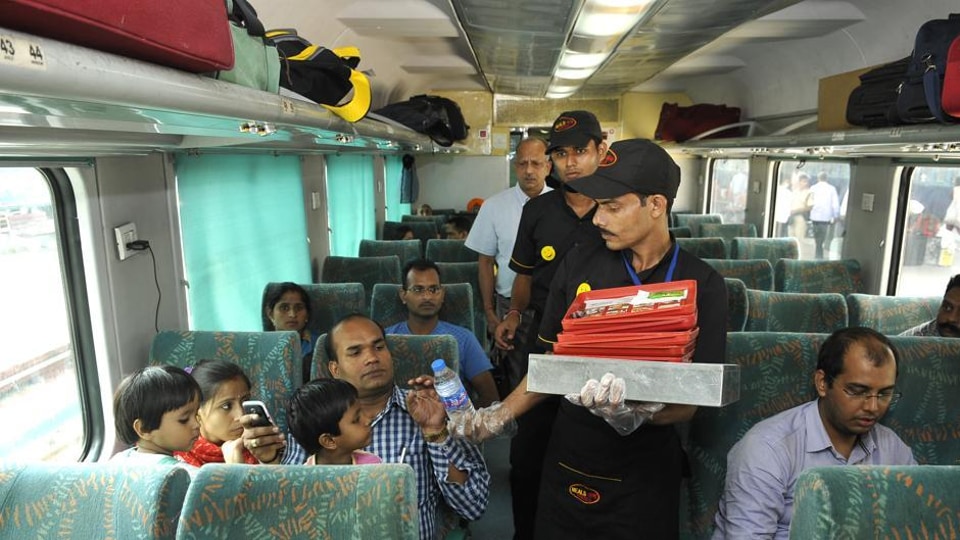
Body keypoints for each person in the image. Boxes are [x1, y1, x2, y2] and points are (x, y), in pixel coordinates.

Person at [456, 138, 728, 539]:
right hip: (572, 454)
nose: (598, 218)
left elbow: (691, 403)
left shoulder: (703, 284)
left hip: (645, 469)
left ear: (656, 205)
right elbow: (551, 363)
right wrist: (496, 416)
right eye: (598, 205)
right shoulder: (581, 262)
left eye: (613, 207)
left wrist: (637, 412)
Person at [241, 314, 490, 540]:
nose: (372, 358)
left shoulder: (428, 409)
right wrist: (270, 461)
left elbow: (473, 505)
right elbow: (291, 506)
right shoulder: (316, 418)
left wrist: (435, 432)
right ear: (335, 369)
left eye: (379, 347)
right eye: (355, 352)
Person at [493, 111, 608, 540]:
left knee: (592, 449)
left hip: (602, 345)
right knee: (529, 454)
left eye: (581, 150)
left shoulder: (619, 210)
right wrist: (513, 314)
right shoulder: (538, 210)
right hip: (542, 338)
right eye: (561, 154)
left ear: (602, 149)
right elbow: (524, 276)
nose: (571, 162)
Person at [713, 327, 916, 539]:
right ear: (822, 383)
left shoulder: (892, 448)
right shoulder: (766, 448)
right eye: (857, 391)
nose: (873, 407)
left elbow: (920, 519)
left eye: (884, 394)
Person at [465, 137, 552, 393]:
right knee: (515, 376)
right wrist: (490, 313)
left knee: (551, 374)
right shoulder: (493, 206)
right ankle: (516, 429)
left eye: (536, 163)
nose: (529, 170)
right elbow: (485, 262)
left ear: (548, 166)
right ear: (515, 167)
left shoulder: (562, 207)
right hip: (508, 304)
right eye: (522, 163)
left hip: (551, 304)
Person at [386, 259, 499, 407]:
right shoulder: (385, 339)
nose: (427, 297)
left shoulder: (464, 339)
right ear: (403, 295)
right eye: (418, 289)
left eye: (433, 289)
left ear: (442, 294)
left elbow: (491, 398)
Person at [111, 365, 201, 472]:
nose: (197, 424)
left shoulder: (117, 462)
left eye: (196, 414)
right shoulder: (181, 474)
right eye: (184, 419)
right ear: (143, 429)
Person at [174, 359, 260, 466]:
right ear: (197, 413)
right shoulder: (180, 464)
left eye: (245, 401)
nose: (241, 415)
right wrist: (236, 469)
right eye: (226, 406)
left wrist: (271, 460)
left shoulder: (260, 447)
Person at [287, 378, 381, 465]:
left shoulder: (373, 466)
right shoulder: (304, 479)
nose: (368, 420)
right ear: (329, 440)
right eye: (356, 419)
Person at [264, 282, 319, 365]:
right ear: (271, 314)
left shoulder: (320, 346)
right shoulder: (260, 347)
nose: (292, 314)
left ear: (307, 314)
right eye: (284, 308)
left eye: (299, 308)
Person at [809, 172, 840, 259]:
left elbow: (809, 201)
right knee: (822, 237)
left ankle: (818, 253)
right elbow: (835, 204)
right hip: (826, 218)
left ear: (818, 178)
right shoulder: (831, 189)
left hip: (814, 216)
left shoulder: (813, 188)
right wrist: (836, 215)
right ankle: (819, 254)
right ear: (827, 178)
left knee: (816, 237)